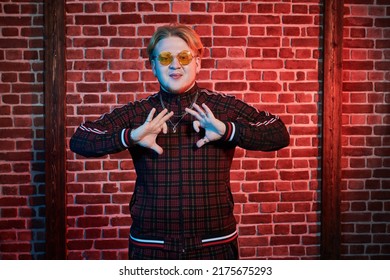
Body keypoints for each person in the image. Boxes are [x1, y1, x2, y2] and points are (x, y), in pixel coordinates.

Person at [70, 24, 290, 260]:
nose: (175, 65)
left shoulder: (222, 108)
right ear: (153, 66)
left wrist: (228, 130)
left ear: (197, 63)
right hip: (150, 246)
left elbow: (278, 133)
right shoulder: (139, 113)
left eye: (184, 56)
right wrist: (131, 136)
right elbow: (81, 139)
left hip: (214, 245)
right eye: (165, 58)